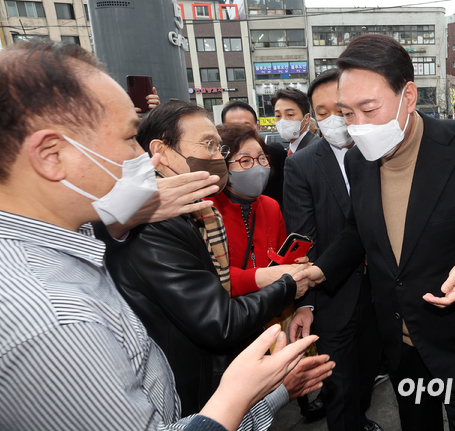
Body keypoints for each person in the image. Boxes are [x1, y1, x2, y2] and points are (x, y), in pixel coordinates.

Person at [0, 40, 332, 431]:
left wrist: (118, 219)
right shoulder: (59, 320)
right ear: (52, 155)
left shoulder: (75, 241)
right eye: (130, 139)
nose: (146, 159)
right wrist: (246, 396)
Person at [293, 34, 455, 431]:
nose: (358, 127)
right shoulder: (359, 161)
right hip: (400, 339)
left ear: (408, 96)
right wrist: (319, 271)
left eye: (369, 109)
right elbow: (359, 230)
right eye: (347, 114)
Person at [97, 100, 315, 416]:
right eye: (208, 145)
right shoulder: (155, 224)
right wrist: (287, 285)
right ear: (162, 151)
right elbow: (219, 321)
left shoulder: (198, 211)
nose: (218, 158)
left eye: (220, 149)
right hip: (187, 389)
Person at [284, 68, 382, 431]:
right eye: (322, 112)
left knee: (369, 370)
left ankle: (361, 418)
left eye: (340, 110)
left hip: (383, 289)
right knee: (338, 384)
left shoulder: (381, 153)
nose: (333, 120)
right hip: (332, 294)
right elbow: (301, 240)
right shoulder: (302, 165)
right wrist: (305, 303)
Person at [212, 123, 291, 297]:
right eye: (245, 161)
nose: (258, 168)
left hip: (269, 307)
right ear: (222, 167)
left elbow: (279, 257)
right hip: (231, 311)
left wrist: (292, 266)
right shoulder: (206, 209)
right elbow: (207, 275)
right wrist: (258, 277)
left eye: (262, 159)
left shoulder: (271, 206)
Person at [222, 100, 286, 210]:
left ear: (256, 127)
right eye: (233, 127)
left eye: (246, 126)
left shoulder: (277, 156)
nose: (241, 132)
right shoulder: (217, 162)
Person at [272, 88, 318, 155]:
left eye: (290, 114)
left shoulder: (315, 150)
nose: (283, 120)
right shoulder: (290, 149)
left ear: (307, 118)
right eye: (278, 116)